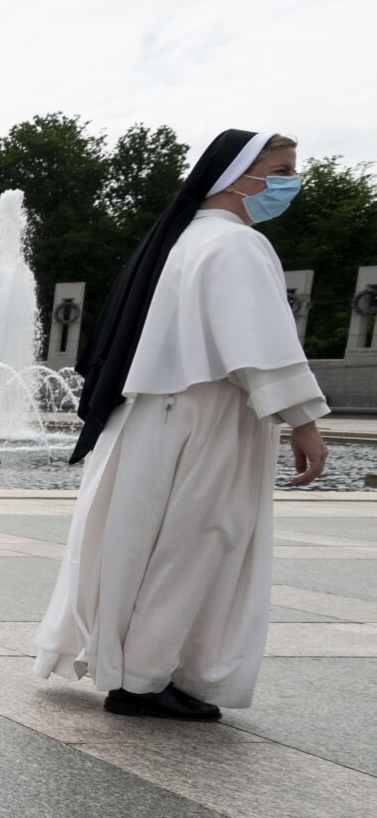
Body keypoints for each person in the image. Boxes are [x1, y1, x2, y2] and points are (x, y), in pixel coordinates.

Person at [35, 130, 331, 720]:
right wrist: (304, 420)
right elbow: (256, 345)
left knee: (148, 542)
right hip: (209, 415)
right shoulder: (236, 245)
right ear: (236, 176)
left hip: (158, 411)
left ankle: (146, 667)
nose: (289, 181)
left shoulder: (179, 241)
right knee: (198, 539)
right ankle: (143, 678)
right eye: (280, 169)